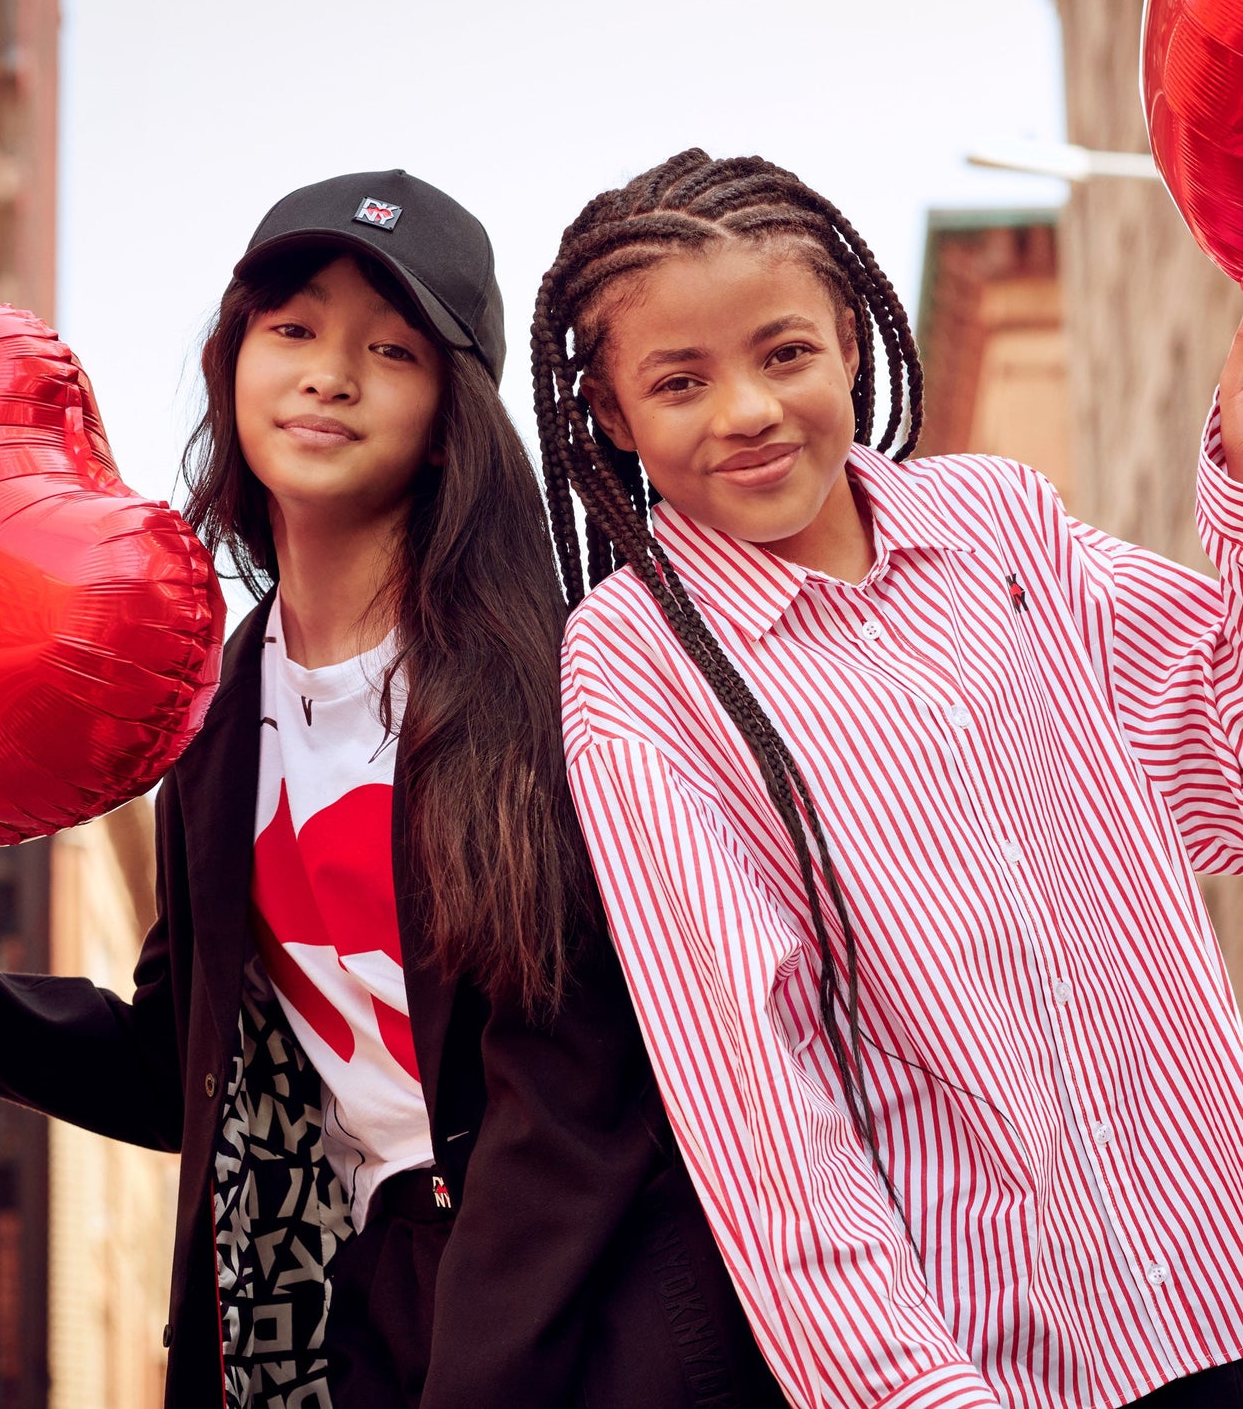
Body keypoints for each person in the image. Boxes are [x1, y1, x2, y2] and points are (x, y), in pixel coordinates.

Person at [0, 169, 780, 1409]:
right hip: (365, 1314)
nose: (331, 374)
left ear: (448, 410)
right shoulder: (211, 723)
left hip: (600, 1319)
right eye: (294, 329)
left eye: (391, 348)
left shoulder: (558, 680)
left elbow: (575, 1097)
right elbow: (177, 1070)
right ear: (235, 359)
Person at [531, 146, 1243, 1409]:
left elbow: (1223, 767)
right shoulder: (633, 666)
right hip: (1000, 1368)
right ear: (608, 416)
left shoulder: (999, 526)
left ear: (851, 344)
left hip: (1219, 1274)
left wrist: (1237, 475)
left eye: (784, 352)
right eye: (678, 380)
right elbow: (756, 1095)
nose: (745, 408)